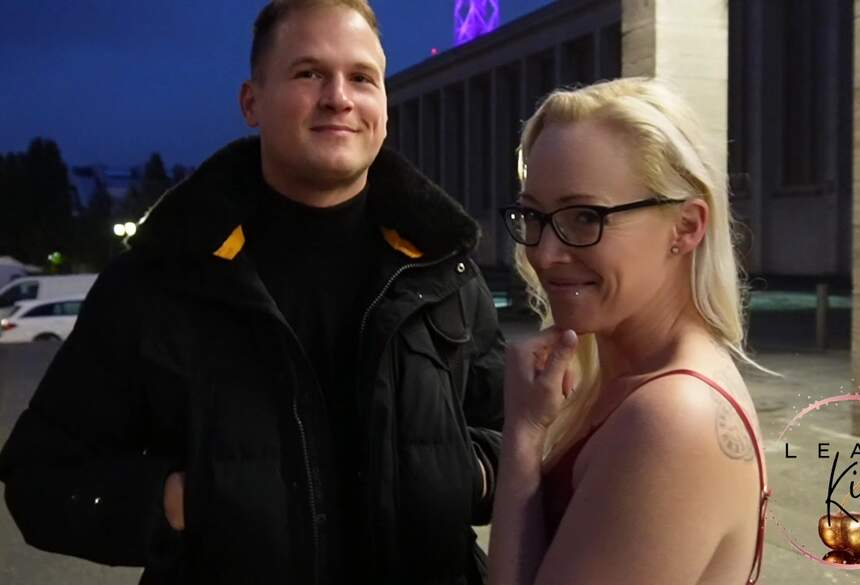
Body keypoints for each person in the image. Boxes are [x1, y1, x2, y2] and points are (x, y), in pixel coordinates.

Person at [0, 1, 505, 584]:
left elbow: (517, 435)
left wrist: (474, 474)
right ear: (251, 103)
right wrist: (178, 502)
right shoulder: (159, 280)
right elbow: (40, 477)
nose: (339, 97)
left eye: (362, 78)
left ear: (384, 110)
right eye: (309, 73)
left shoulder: (444, 273)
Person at [487, 78, 770, 585]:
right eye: (533, 215)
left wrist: (522, 439)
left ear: (687, 227)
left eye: (584, 217)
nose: (544, 255)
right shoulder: (629, 382)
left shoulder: (672, 418)